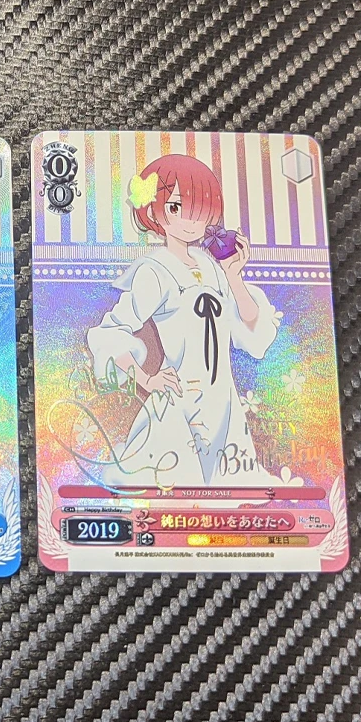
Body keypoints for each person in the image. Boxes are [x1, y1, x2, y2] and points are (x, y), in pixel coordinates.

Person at [87, 153, 280, 488]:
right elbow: (110, 332)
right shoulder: (155, 271)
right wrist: (146, 379)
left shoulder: (213, 267)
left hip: (224, 403)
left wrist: (234, 276)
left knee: (232, 494)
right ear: (154, 212)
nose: (191, 220)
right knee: (176, 490)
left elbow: (252, 330)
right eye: (176, 207)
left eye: (200, 209)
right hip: (180, 402)